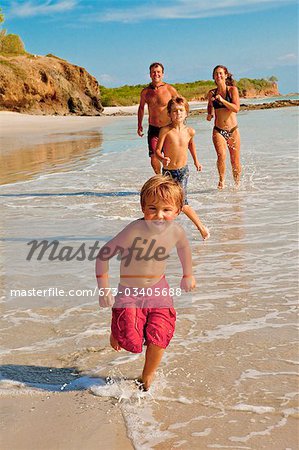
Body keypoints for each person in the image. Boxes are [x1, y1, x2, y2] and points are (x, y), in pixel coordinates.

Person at [96, 175, 196, 391]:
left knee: (159, 334)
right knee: (130, 343)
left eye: (166, 210)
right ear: (142, 208)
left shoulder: (177, 231)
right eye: (152, 208)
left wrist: (188, 274)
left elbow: (183, 249)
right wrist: (104, 289)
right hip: (129, 293)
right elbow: (103, 255)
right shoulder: (134, 230)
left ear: (178, 210)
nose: (159, 215)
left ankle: (147, 374)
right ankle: (118, 328)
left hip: (159, 291)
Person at [155, 96, 210, 240]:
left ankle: (202, 228)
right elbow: (157, 151)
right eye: (174, 111)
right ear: (169, 114)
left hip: (183, 172)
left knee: (182, 203)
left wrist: (196, 161)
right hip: (168, 172)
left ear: (186, 113)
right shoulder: (165, 130)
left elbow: (191, 145)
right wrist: (162, 158)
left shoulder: (190, 131)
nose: (177, 113)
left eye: (181, 110)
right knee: (166, 201)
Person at [137, 62, 178, 174]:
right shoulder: (145, 92)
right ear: (150, 74)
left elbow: (181, 104)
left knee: (170, 156)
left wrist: (181, 123)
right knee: (154, 156)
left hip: (168, 128)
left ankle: (171, 178)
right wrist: (139, 125)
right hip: (154, 128)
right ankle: (159, 177)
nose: (156, 74)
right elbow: (141, 108)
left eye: (158, 72)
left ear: (162, 74)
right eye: (153, 72)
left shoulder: (170, 89)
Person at [207, 65, 241, 189]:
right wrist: (209, 114)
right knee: (221, 155)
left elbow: (236, 108)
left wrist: (222, 100)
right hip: (218, 130)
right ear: (214, 77)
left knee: (235, 160)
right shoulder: (212, 93)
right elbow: (210, 107)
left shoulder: (232, 90)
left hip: (233, 130)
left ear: (226, 75)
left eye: (221, 73)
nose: (218, 76)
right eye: (216, 74)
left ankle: (237, 185)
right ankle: (221, 182)